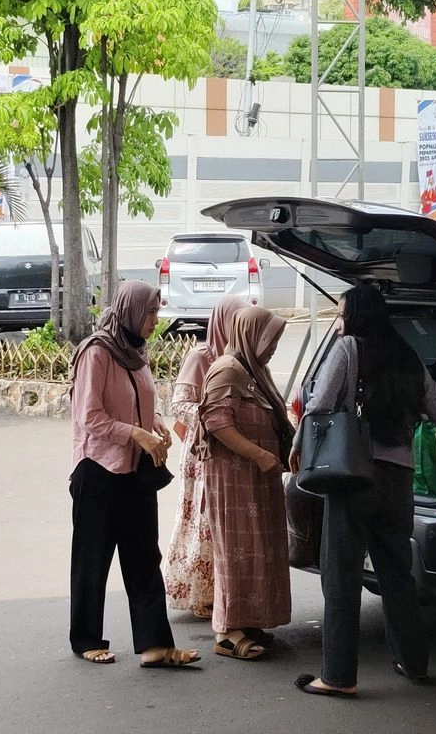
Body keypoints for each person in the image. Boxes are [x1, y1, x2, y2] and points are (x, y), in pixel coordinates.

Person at [291, 285, 436, 698]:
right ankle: (414, 664)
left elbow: (319, 406)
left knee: (341, 576)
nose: (339, 322)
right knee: (397, 575)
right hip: (398, 482)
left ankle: (338, 677)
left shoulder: (348, 349)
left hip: (353, 476)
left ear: (356, 315)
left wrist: (296, 449)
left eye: (341, 314)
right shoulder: (409, 357)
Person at [67, 280, 201, 669]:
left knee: (144, 557)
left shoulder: (135, 353)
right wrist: (136, 432)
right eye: (151, 313)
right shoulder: (97, 352)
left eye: (157, 312)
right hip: (98, 471)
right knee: (93, 560)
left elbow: (139, 402)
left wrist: (154, 423)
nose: (155, 321)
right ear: (130, 311)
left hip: (136, 471)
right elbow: (89, 416)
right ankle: (86, 639)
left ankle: (155, 644)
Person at [196, 306, 294, 660]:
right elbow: (217, 423)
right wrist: (259, 454)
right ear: (251, 335)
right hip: (235, 479)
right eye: (270, 340)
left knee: (259, 549)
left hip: (257, 477)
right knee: (237, 552)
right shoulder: (228, 370)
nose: (272, 348)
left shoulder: (254, 371)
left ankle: (250, 620)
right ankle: (226, 631)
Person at [164, 296, 247, 619]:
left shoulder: (243, 359)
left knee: (222, 523)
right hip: (202, 451)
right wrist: (215, 416)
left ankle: (221, 593)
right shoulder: (203, 356)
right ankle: (198, 593)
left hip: (230, 449)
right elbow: (179, 404)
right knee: (202, 519)